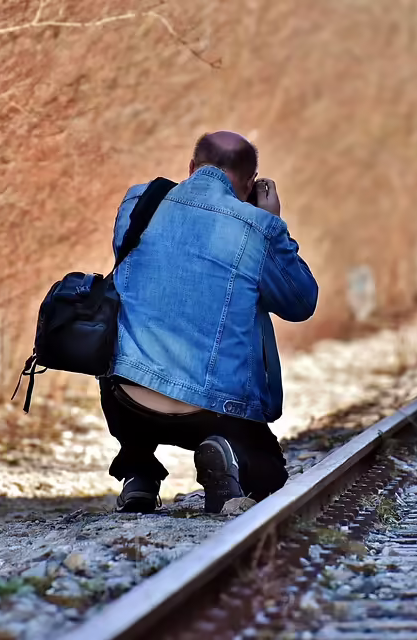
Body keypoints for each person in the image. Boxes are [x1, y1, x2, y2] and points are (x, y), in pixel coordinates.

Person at [99, 131, 319, 514]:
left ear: (191, 167)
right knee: (270, 479)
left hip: (129, 399)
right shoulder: (256, 227)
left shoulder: (140, 202)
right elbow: (300, 302)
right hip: (214, 411)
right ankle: (225, 454)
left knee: (130, 340)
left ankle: (139, 472)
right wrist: (270, 224)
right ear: (251, 183)